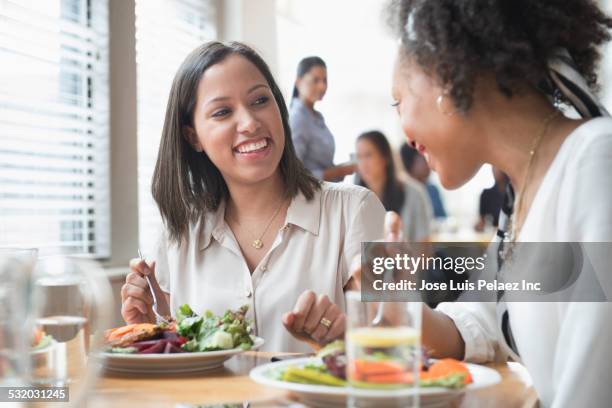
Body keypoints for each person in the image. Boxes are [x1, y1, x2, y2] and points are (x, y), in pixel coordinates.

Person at [385, 0, 612, 406]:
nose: (403, 130)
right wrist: (395, 297)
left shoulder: (597, 163)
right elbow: (477, 325)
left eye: (398, 100)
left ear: (446, 75)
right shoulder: (524, 194)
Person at [120, 42, 385, 353]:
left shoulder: (358, 210)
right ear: (193, 137)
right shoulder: (177, 237)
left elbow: (406, 350)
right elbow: (180, 375)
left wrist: (344, 340)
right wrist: (150, 334)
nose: (249, 123)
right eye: (222, 112)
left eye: (260, 100)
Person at [355, 130, 432, 241]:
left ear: (385, 158)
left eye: (368, 155)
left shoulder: (414, 193)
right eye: (359, 157)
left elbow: (424, 247)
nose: (363, 163)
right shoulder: (353, 199)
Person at [289, 56, 356, 181]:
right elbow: (294, 175)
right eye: (315, 80)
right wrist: (341, 170)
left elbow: (322, 167)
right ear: (298, 82)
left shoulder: (317, 117)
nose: (322, 86)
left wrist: (345, 168)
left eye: (325, 80)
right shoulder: (298, 119)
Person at [400, 142, 447, 218]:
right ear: (411, 161)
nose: (430, 163)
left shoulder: (433, 190)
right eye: (425, 158)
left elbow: (443, 219)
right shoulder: (401, 190)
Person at [475, 167, 508, 232]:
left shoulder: (514, 193)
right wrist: (479, 225)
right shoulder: (486, 194)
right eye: (493, 167)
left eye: (497, 167)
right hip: (492, 233)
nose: (495, 171)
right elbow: (482, 221)